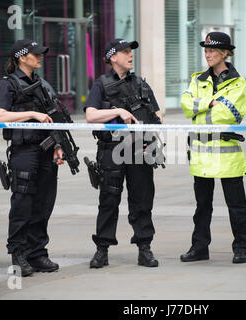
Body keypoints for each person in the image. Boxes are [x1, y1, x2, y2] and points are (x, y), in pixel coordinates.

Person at [84, 38, 163, 268]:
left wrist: (152, 138)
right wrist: (118, 110)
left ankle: (144, 247)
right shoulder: (101, 84)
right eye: (125, 51)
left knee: (142, 200)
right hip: (111, 149)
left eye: (131, 52)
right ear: (112, 57)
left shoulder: (140, 83)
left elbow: (157, 115)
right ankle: (102, 249)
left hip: (140, 149)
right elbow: (90, 115)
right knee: (108, 200)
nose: (130, 55)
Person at [0, 39, 63, 277]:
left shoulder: (43, 84)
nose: (40, 57)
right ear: (22, 57)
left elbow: (53, 117)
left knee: (44, 203)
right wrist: (32, 113)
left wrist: (58, 146)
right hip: (24, 150)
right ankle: (18, 253)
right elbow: (0, 115)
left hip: (45, 150)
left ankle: (37, 253)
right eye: (36, 54)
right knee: (23, 204)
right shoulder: (8, 85)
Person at [180, 32, 246, 264]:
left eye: (212, 51)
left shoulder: (237, 82)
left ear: (224, 53)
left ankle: (241, 248)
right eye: (206, 50)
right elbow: (185, 105)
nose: (207, 54)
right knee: (202, 207)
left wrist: (200, 107)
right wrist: (209, 102)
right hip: (201, 155)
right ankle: (199, 247)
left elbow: (232, 112)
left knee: (237, 206)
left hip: (227, 154)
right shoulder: (197, 79)